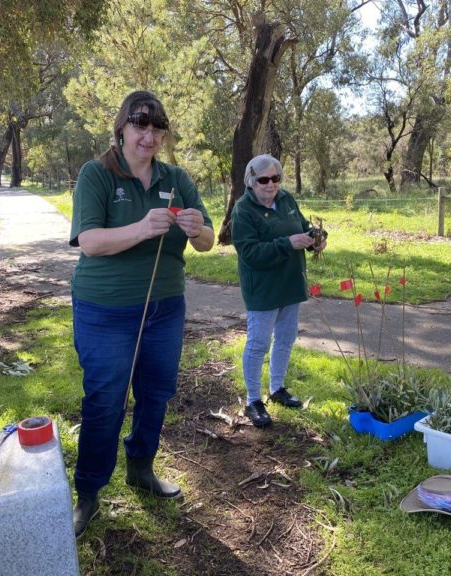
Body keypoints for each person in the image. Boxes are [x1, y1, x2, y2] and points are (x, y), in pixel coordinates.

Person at [69, 90, 214, 538]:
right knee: (106, 400)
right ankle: (89, 492)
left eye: (156, 127)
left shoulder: (176, 179)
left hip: (165, 310)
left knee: (155, 393)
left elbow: (208, 241)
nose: (148, 135)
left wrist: (197, 228)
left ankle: (141, 469)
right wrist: (141, 227)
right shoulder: (96, 174)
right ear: (122, 128)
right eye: (139, 125)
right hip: (104, 312)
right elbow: (90, 242)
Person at [231, 154, 327, 428]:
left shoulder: (285, 200)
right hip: (263, 289)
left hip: (290, 283)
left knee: (285, 338)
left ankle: (276, 388)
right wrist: (287, 243)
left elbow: (301, 227)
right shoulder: (243, 210)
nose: (271, 185)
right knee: (258, 343)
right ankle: (253, 400)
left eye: (275, 178)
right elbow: (250, 253)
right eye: (263, 180)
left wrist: (314, 239)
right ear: (251, 181)